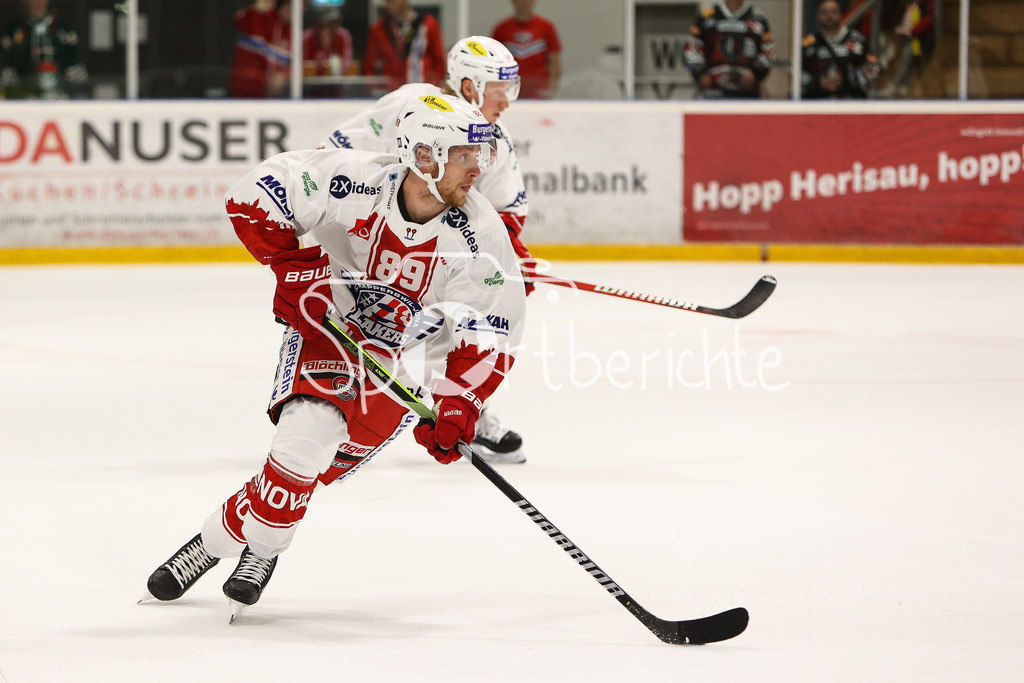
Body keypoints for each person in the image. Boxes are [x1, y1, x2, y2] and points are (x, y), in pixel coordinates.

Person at [144, 94, 525, 616]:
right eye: (463, 156)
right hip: (328, 326)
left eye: (477, 155)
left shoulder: (480, 233)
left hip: (394, 361)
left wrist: (461, 402)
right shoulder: (354, 180)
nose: (477, 168)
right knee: (304, 442)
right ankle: (265, 549)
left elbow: (490, 330)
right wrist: (291, 266)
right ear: (425, 155)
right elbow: (255, 194)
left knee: (310, 471)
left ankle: (213, 540)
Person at [322, 36, 533, 464]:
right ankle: (322, 411)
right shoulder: (410, 104)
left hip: (436, 252)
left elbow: (505, 209)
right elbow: (334, 154)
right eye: (499, 89)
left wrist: (511, 259)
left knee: (464, 322)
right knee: (347, 326)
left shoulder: (494, 138)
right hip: (368, 240)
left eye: (511, 88)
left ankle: (462, 410)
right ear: (470, 86)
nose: (506, 101)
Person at [684, 0, 774, 98]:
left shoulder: (758, 19)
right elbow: (691, 49)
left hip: (748, 93)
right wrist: (700, 73)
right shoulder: (705, 17)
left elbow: (768, 51)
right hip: (712, 91)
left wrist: (755, 72)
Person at [0, 0, 87, 99]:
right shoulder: (14, 30)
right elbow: (7, 72)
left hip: (61, 97)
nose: (38, 3)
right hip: (26, 98)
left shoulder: (64, 28)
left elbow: (76, 69)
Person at [363, 0, 445, 93]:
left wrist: (434, 87)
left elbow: (439, 61)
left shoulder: (427, 24)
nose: (387, 5)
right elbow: (370, 65)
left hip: (423, 90)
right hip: (391, 92)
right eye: (386, 2)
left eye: (391, 1)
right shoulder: (378, 29)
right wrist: (375, 90)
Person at [802, 0, 879, 98]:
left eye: (834, 12)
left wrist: (848, 78)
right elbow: (797, 72)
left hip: (851, 100)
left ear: (841, 14)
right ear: (817, 16)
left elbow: (873, 67)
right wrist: (817, 82)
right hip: (817, 102)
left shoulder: (857, 40)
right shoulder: (808, 45)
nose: (829, 16)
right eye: (824, 12)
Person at [490, 0, 562, 99]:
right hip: (510, 89)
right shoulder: (501, 29)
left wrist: (551, 88)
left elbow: (554, 62)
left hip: (540, 90)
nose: (524, 2)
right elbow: (493, 62)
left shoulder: (546, 27)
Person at [227, 0, 294, 98]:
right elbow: (239, 19)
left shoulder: (291, 32)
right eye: (289, 5)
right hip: (243, 89)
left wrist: (283, 75)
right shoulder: (258, 16)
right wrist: (255, 10)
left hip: (269, 94)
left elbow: (294, 64)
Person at [302, 6, 354, 98]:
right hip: (310, 93)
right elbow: (306, 68)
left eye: (335, 25)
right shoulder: (308, 37)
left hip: (336, 92)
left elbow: (345, 67)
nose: (332, 29)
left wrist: (328, 52)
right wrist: (324, 49)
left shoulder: (342, 36)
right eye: (328, 24)